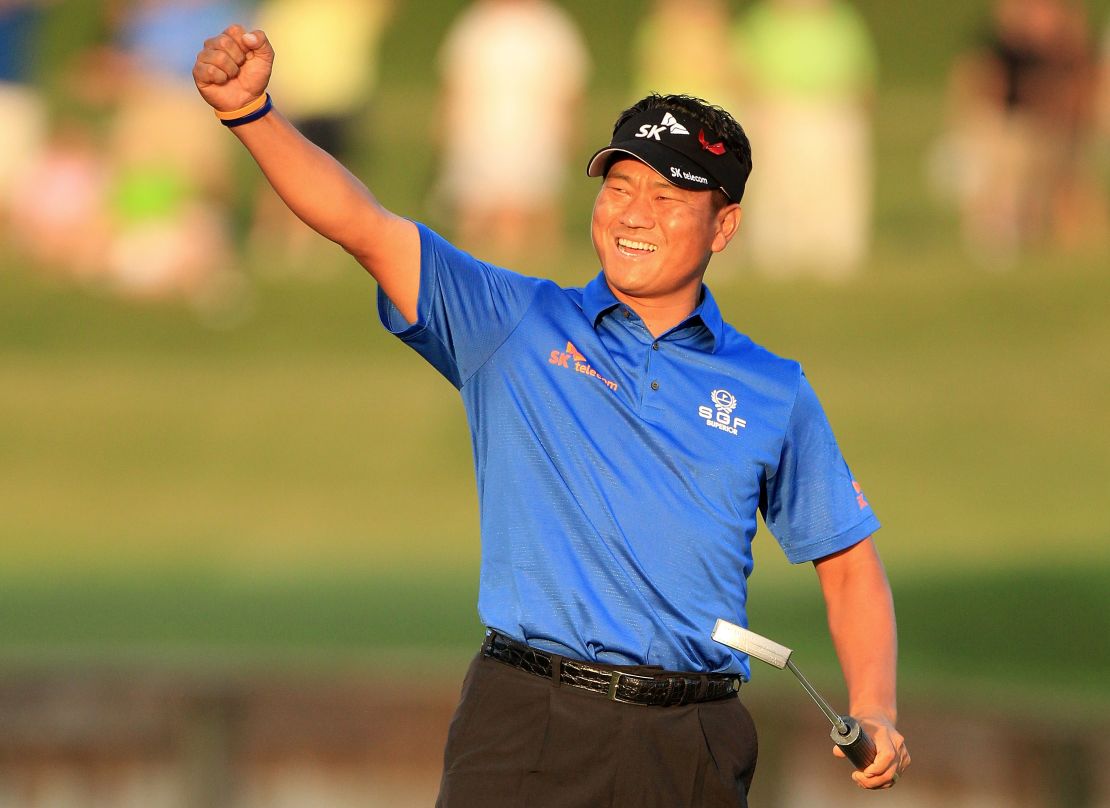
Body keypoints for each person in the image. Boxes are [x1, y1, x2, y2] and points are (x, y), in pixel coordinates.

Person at [192, 23, 910, 806]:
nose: (633, 214)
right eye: (620, 187)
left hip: (694, 738)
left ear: (724, 225)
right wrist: (252, 114)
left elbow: (847, 563)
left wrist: (875, 704)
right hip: (530, 716)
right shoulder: (515, 322)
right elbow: (361, 225)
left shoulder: (771, 388)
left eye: (668, 196)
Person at [433, 0, 590, 265]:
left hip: (536, 130)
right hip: (480, 131)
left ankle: (534, 273)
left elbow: (569, 84)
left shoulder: (549, 25)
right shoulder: (477, 23)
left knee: (531, 207)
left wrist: (570, 126)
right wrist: (447, 122)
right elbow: (455, 80)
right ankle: (468, 278)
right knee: (474, 208)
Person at [732, 0, 879, 279]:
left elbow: (861, 71)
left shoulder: (841, 22)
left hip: (832, 111)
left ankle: (834, 247)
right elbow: (742, 68)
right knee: (779, 185)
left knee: (835, 184)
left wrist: (857, 102)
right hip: (779, 111)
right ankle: (779, 248)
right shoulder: (764, 23)